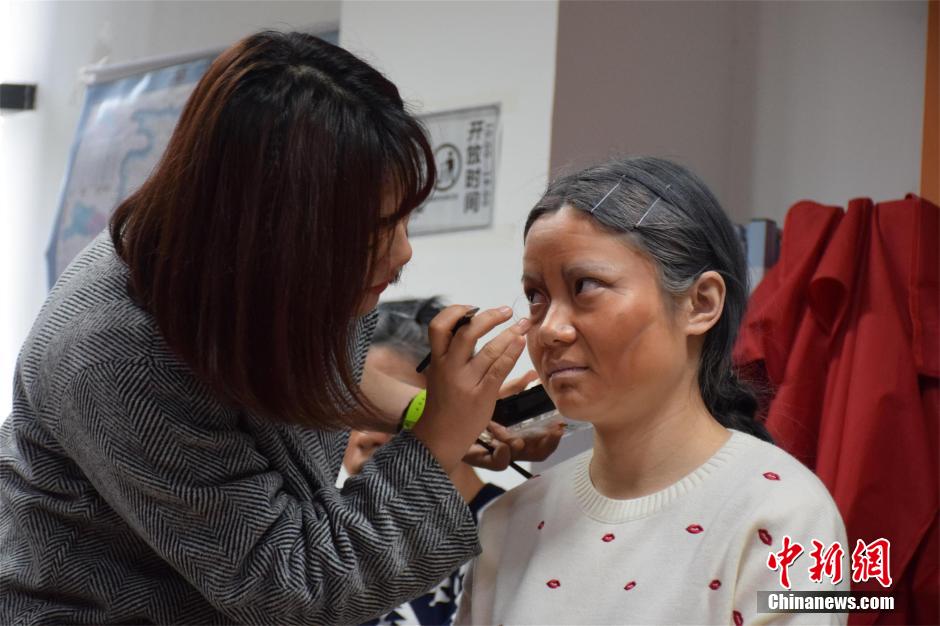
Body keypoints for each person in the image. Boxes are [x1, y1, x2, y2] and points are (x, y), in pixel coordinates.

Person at [0, 31, 550, 625]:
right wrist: (436, 440)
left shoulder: (256, 272)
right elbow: (296, 590)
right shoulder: (115, 355)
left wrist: (433, 413)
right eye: (371, 233)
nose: (402, 256)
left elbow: (312, 368)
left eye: (405, 220)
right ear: (270, 228)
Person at [455, 157, 850, 625]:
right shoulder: (508, 521)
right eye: (537, 296)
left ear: (700, 304)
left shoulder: (785, 516)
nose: (550, 330)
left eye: (586, 286)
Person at [343, 298, 538, 626]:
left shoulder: (521, 529)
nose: (364, 436)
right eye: (349, 412)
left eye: (388, 412)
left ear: (455, 400)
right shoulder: (329, 545)